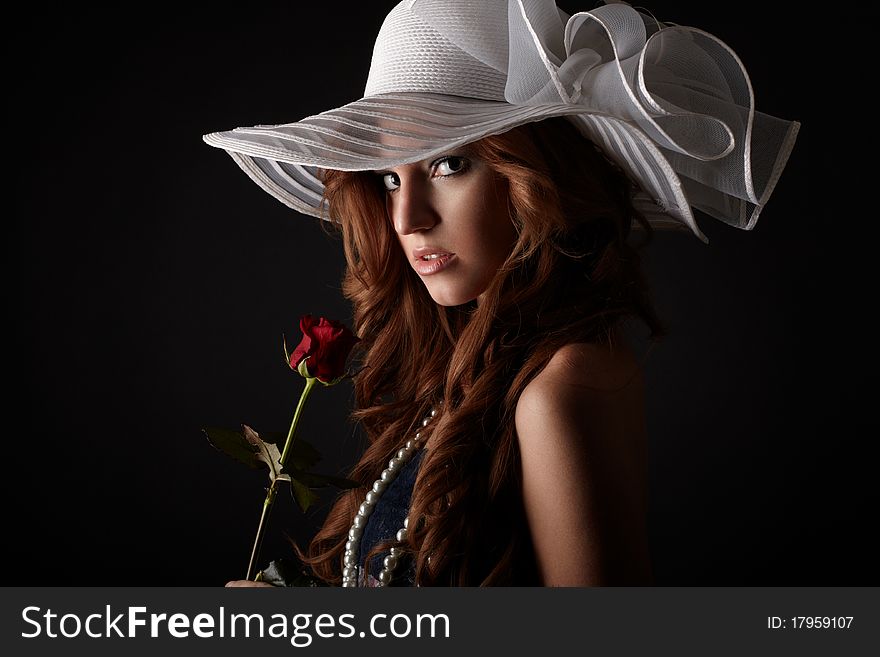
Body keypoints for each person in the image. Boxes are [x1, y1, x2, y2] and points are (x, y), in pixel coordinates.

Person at [208, 0, 800, 587]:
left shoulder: (561, 386)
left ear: (530, 178)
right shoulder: (475, 371)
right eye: (391, 177)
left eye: (450, 164)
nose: (408, 217)